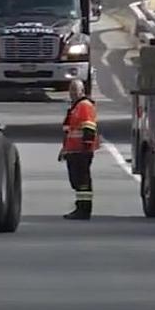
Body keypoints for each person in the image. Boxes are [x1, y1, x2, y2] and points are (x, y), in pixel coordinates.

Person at [58, 79, 99, 220]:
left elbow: (89, 126)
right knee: (77, 181)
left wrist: (86, 145)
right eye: (71, 90)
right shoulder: (75, 107)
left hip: (81, 150)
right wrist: (64, 149)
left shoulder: (84, 106)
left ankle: (83, 209)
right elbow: (69, 131)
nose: (72, 93)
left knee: (82, 181)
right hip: (73, 150)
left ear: (82, 91)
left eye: (75, 90)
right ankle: (80, 207)